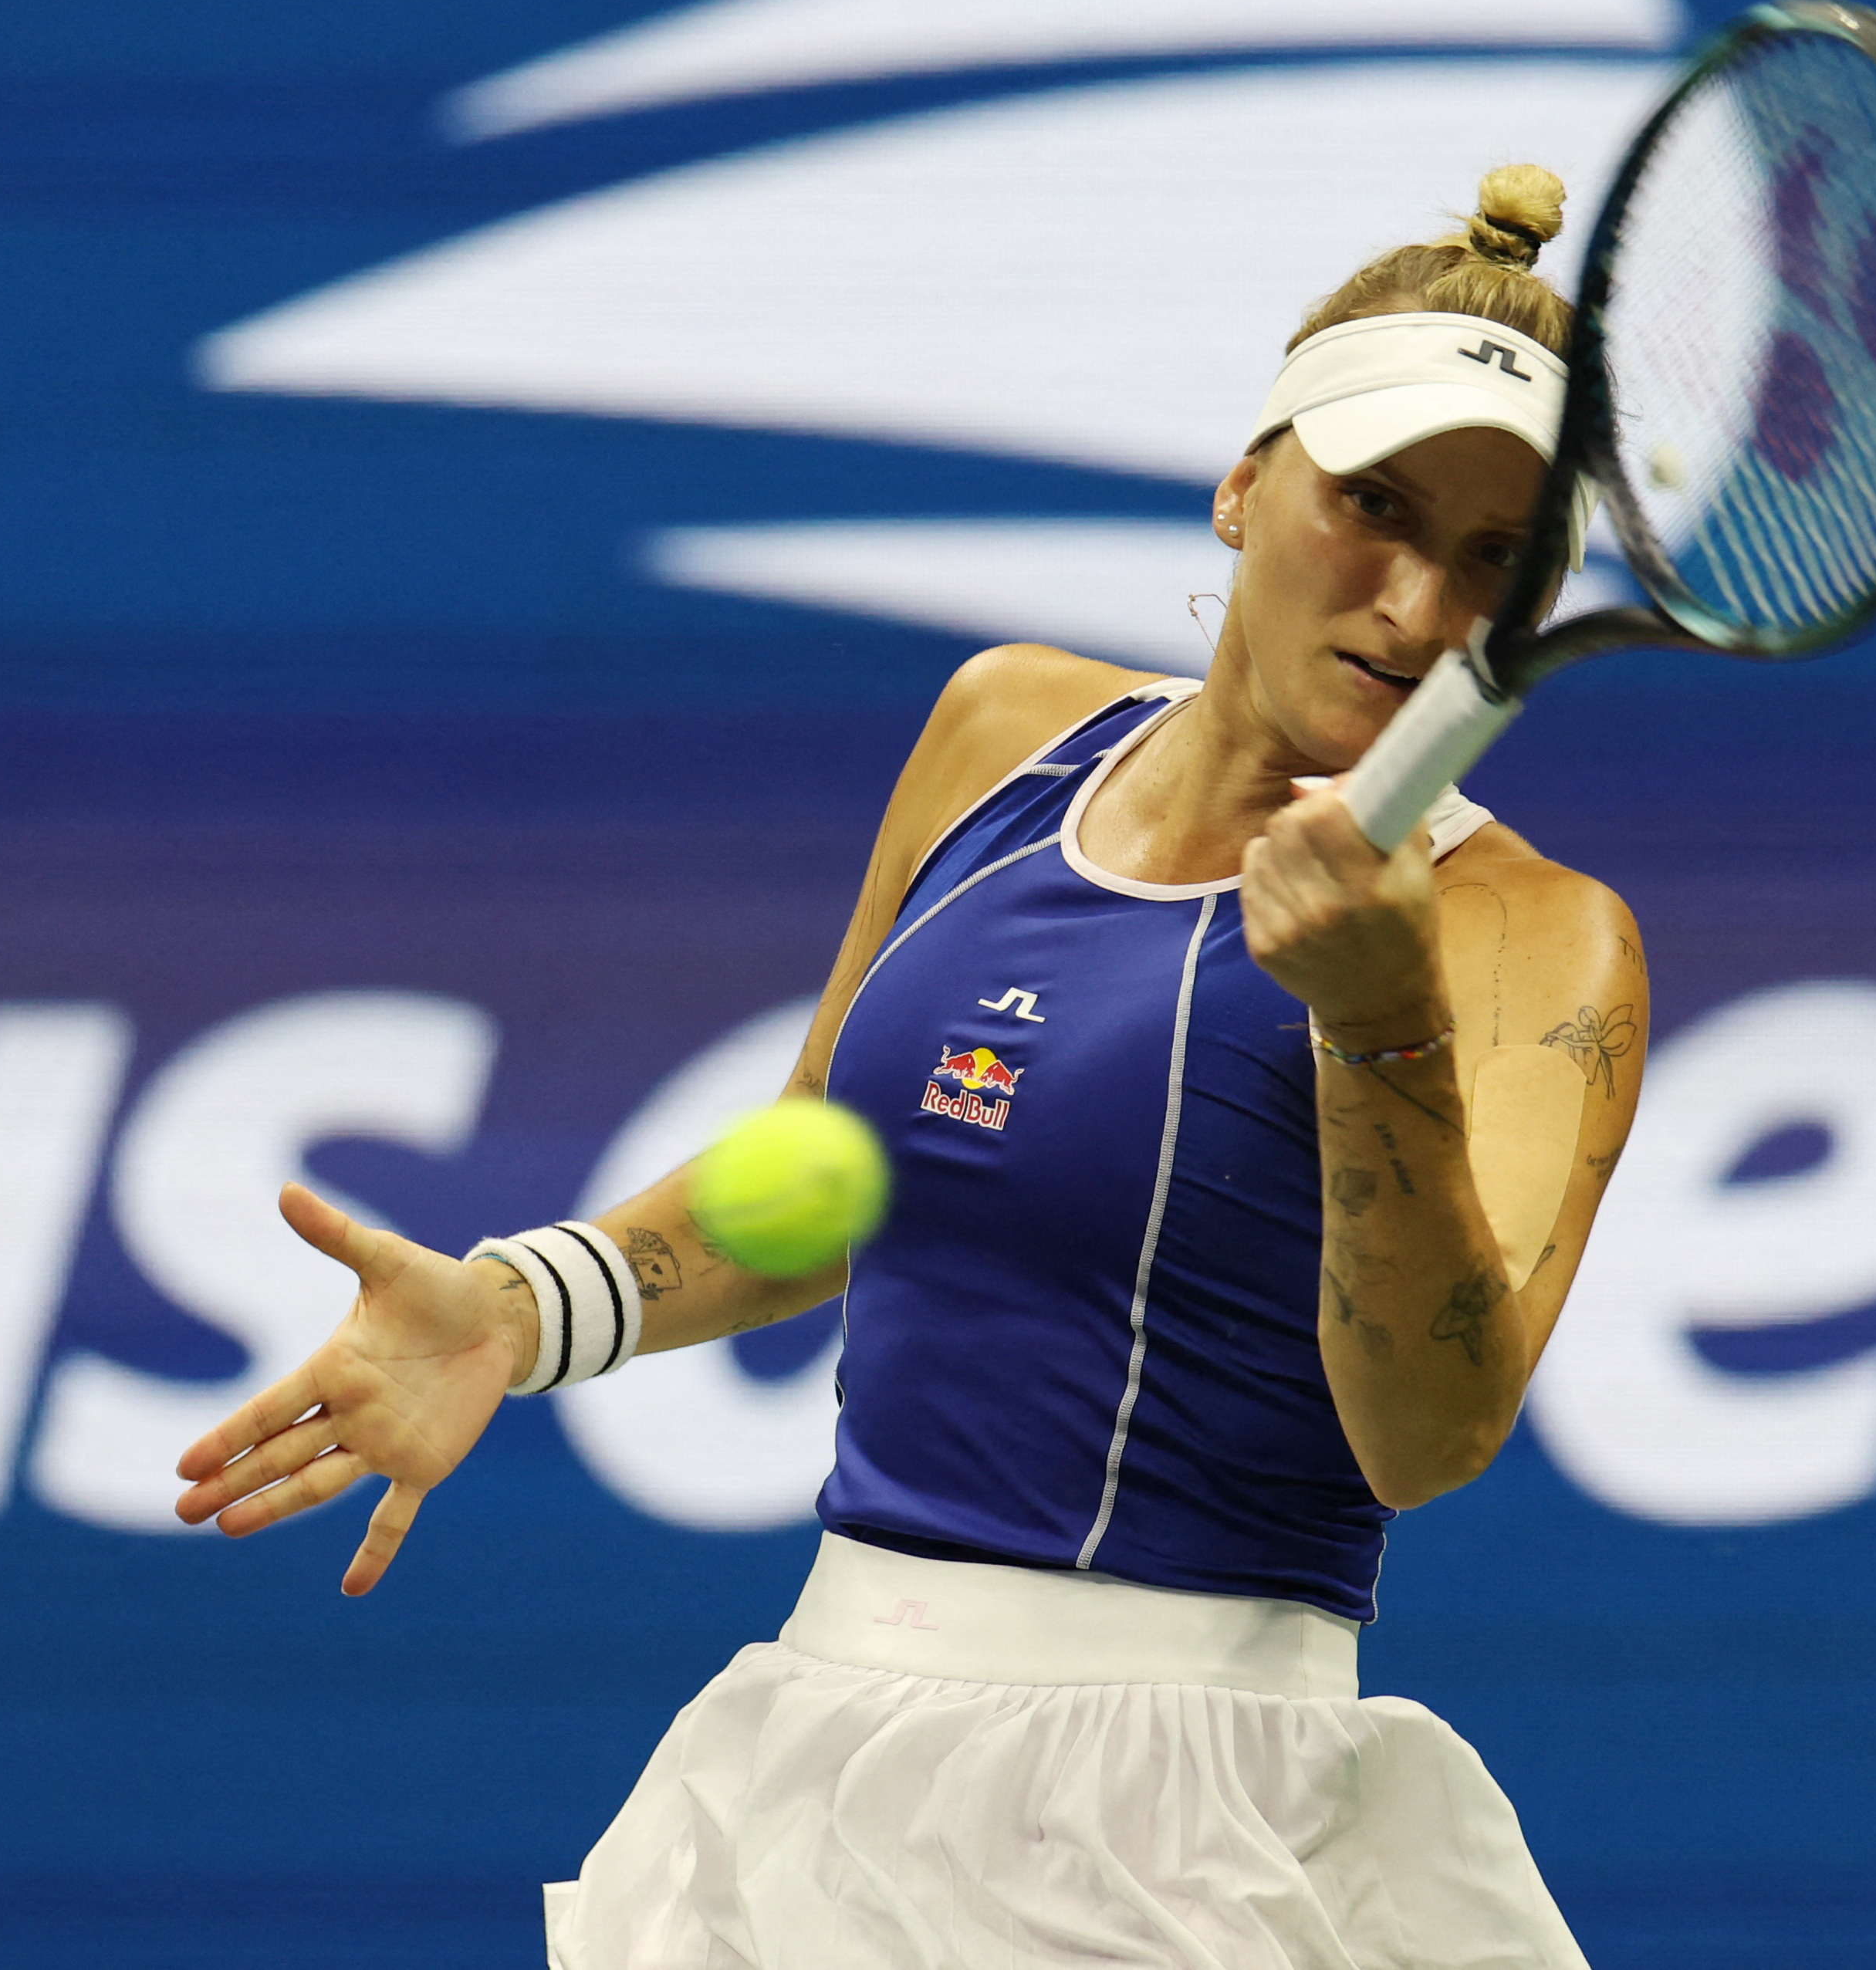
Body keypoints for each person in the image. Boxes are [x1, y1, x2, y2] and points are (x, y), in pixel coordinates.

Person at [175, 163, 1649, 1970]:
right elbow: (838, 1173)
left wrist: (1377, 1028)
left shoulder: (1534, 939)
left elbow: (1430, 1438)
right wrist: (530, 1307)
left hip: (1191, 1815)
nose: (1417, 603)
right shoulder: (1004, 735)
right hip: (818, 1747)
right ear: (1245, 485)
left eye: (1497, 558)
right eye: (1374, 505)